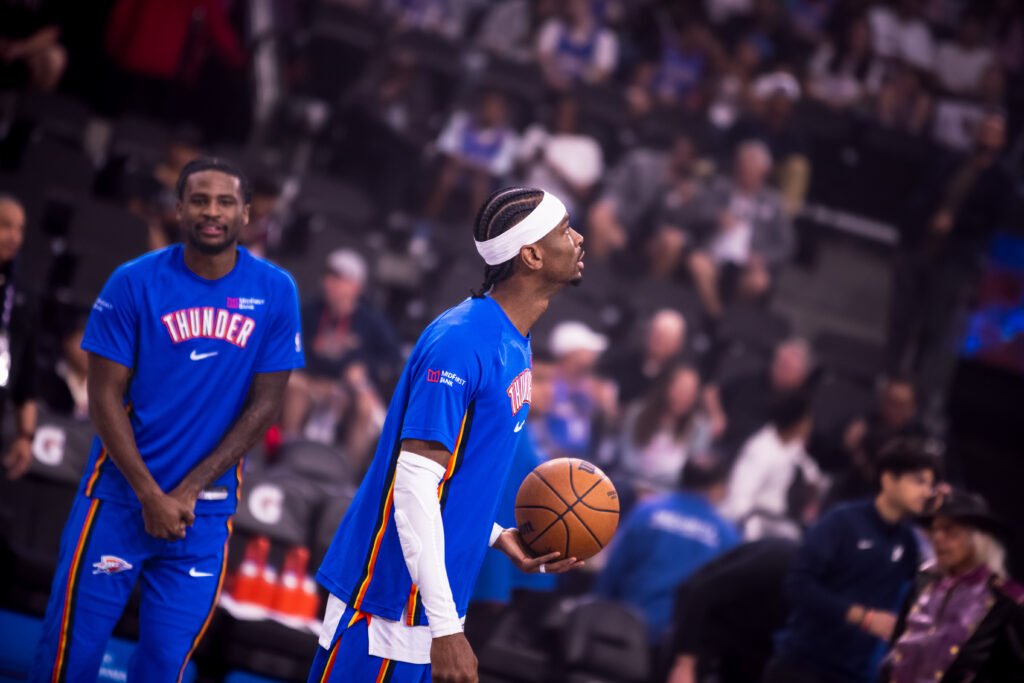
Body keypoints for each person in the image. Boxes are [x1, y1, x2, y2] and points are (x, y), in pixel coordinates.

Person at [31, 158, 305, 680]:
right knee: (70, 658)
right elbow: (103, 394)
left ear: (247, 213)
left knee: (164, 666)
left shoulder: (275, 291)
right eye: (199, 200)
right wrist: (150, 494)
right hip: (118, 501)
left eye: (225, 202)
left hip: (202, 516)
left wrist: (187, 491)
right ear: (179, 209)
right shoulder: (132, 282)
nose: (212, 212)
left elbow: (266, 404)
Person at [311, 187, 586, 682]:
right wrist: (446, 629)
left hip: (428, 608)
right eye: (565, 230)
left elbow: (451, 476)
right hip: (385, 607)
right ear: (532, 255)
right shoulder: (462, 340)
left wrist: (494, 534)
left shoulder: (512, 339)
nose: (579, 238)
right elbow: (413, 484)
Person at [763, 439, 943, 683]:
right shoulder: (842, 521)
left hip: (853, 674)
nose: (926, 492)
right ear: (888, 480)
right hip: (802, 664)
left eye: (930, 485)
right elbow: (798, 584)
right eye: (918, 481)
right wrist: (863, 617)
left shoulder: (910, 543)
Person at [887, 111, 1015, 412]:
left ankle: (915, 390)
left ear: (1003, 140)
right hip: (921, 247)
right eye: (986, 127)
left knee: (935, 325)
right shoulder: (950, 161)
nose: (989, 134)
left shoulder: (1000, 181)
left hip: (956, 259)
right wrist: (919, 225)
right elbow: (921, 193)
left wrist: (954, 225)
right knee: (901, 316)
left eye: (996, 131)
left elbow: (990, 223)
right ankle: (889, 375)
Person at [594, 456, 740, 643]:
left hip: (620, 632)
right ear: (718, 488)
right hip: (675, 645)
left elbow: (612, 571)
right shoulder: (726, 535)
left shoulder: (646, 512)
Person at [885, 490, 1024, 683]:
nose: (937, 538)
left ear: (976, 536)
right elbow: (896, 652)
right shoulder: (923, 585)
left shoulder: (1005, 600)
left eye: (949, 530)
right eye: (934, 530)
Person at [686, 140, 794, 319]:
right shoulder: (720, 187)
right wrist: (717, 217)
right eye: (742, 165)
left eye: (750, 166)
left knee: (759, 282)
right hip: (714, 256)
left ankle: (732, 316)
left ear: (763, 171)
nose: (744, 170)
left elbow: (786, 244)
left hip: (746, 263)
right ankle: (716, 314)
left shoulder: (773, 202)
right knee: (697, 263)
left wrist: (763, 258)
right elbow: (696, 211)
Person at [666, 538, 798, 683]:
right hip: (700, 628)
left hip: (745, 647)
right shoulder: (780, 561)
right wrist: (685, 664)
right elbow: (699, 592)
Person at [720, 391, 822, 540]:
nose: (810, 424)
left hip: (781, 521)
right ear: (796, 423)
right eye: (807, 419)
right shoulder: (760, 450)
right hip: (756, 521)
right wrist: (751, 538)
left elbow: (810, 472)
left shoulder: (794, 445)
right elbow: (740, 498)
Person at [704, 335, 814, 454]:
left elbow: (796, 444)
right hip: (722, 444)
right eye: (779, 363)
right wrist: (717, 416)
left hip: (759, 458)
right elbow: (711, 392)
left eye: (787, 368)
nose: (780, 370)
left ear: (801, 376)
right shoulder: (753, 378)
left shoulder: (798, 407)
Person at [617, 363, 712, 498]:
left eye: (690, 393)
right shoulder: (638, 413)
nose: (684, 397)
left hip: (669, 495)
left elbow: (691, 472)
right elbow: (624, 457)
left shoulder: (699, 427)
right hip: (629, 485)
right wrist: (640, 489)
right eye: (681, 390)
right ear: (667, 386)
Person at [0, 195, 38, 481]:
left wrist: (25, 435)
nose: (15, 236)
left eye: (20, 229)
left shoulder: (22, 291)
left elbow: (27, 368)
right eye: (5, 226)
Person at [543, 320, 615, 460]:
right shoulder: (546, 382)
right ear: (571, 353)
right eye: (587, 349)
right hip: (545, 461)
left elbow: (608, 430)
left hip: (581, 462)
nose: (594, 354)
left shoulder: (593, 387)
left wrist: (605, 408)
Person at [601, 308, 689, 406]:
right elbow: (600, 378)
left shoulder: (675, 380)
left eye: (665, 337)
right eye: (655, 332)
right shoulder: (625, 359)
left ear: (677, 344)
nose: (658, 340)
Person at [535, 0, 617, 90]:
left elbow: (602, 72)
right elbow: (543, 57)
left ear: (589, 7)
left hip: (584, 91)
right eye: (572, 4)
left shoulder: (604, 37)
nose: (575, 9)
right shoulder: (554, 27)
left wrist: (574, 82)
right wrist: (553, 75)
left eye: (580, 5)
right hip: (550, 86)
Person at [0, 0, 67, 91]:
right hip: (4, 42)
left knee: (54, 57)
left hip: (30, 45)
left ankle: (37, 97)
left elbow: (52, 31)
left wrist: (22, 49)